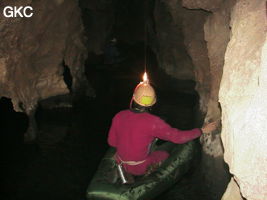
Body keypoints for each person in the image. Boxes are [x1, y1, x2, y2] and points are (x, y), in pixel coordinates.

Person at [107, 79, 217, 176]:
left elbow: (112, 142)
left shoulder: (119, 115)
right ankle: (149, 172)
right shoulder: (153, 122)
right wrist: (201, 130)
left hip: (121, 162)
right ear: (152, 103)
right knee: (164, 154)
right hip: (139, 167)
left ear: (134, 99)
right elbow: (178, 137)